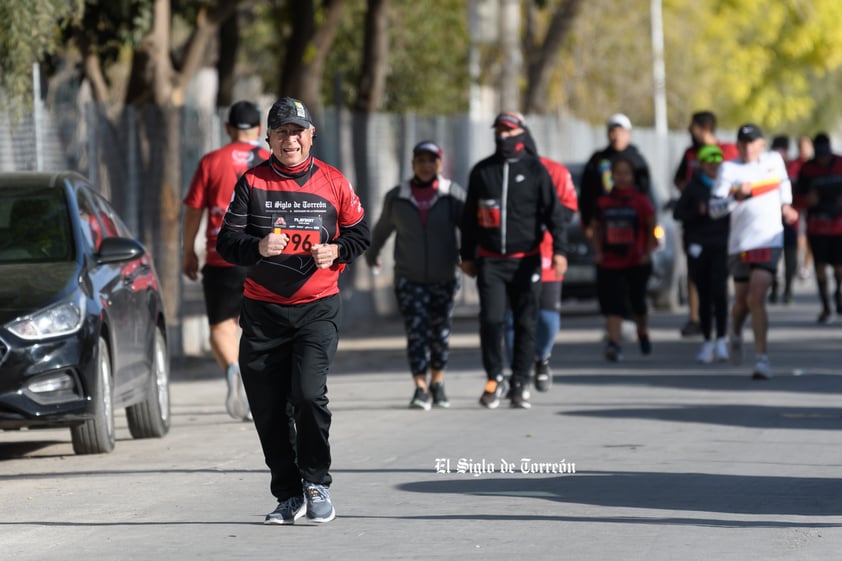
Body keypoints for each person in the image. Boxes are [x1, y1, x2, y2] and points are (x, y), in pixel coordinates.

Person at [216, 97, 370, 525]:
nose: (291, 140)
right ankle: (288, 495)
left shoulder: (334, 182)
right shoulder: (252, 183)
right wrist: (258, 246)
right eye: (281, 132)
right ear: (268, 138)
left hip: (316, 309)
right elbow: (226, 243)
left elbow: (361, 232)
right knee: (267, 408)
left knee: (306, 395)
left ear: (311, 136)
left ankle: (317, 484)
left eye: (297, 131)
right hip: (263, 313)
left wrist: (337, 250)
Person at [460, 111, 568, 410]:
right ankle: (495, 378)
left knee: (525, 322)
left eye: (509, 132)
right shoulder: (482, 171)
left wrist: (560, 251)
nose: (503, 137)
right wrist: (466, 255)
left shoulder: (536, 171)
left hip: (527, 260)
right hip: (490, 262)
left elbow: (554, 215)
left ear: (521, 134)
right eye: (499, 132)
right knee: (491, 321)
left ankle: (520, 381)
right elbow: (469, 219)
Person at [182, 100, 270, 421]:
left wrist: (188, 249)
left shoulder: (210, 162)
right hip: (265, 255)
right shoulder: (269, 161)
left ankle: (234, 370)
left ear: (228, 128)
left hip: (222, 257)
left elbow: (194, 209)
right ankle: (260, 385)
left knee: (222, 327)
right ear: (260, 130)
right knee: (262, 326)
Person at [365, 140, 465, 410]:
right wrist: (372, 254)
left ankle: (438, 382)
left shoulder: (452, 194)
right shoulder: (398, 196)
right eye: (420, 160)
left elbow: (469, 228)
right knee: (417, 333)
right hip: (409, 278)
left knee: (440, 334)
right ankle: (420, 387)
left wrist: (468, 258)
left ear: (440, 165)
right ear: (412, 164)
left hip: (444, 276)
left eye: (431, 160)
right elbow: (382, 229)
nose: (425, 165)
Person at [709, 123, 798, 380]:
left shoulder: (773, 161)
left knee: (756, 296)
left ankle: (762, 359)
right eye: (743, 143)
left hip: (768, 239)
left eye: (752, 142)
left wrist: (786, 207)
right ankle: (735, 331)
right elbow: (714, 209)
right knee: (741, 302)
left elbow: (784, 186)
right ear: (737, 146)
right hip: (740, 243)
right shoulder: (729, 169)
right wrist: (737, 195)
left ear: (762, 144)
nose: (748, 148)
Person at [503, 128, 578, 393]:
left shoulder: (554, 171)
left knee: (546, 319)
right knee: (513, 318)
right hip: (511, 257)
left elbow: (568, 207)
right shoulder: (500, 171)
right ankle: (516, 373)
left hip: (546, 255)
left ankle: (542, 357)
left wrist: (549, 229)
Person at [672, 111, 739, 337]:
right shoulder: (690, 154)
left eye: (693, 127)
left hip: (721, 225)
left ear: (704, 128)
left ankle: (721, 316)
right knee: (695, 274)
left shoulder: (728, 151)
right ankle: (696, 317)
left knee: (720, 275)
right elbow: (679, 180)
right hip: (695, 228)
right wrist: (693, 197)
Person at [592, 155, 657, 362]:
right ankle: (614, 343)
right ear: (612, 176)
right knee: (613, 304)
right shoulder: (604, 202)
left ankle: (642, 331)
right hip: (610, 261)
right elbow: (596, 229)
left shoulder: (641, 201)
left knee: (637, 302)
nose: (622, 177)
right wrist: (598, 252)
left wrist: (647, 252)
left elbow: (651, 227)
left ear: (632, 176)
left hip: (636, 261)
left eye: (626, 173)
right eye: (618, 173)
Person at [672, 145, 730, 363]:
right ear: (702, 165)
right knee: (703, 294)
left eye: (718, 162)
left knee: (720, 292)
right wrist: (697, 211)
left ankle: (722, 339)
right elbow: (679, 213)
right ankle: (707, 340)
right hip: (698, 247)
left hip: (721, 245)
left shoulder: (727, 186)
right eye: (709, 162)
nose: (714, 166)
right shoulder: (693, 187)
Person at [794, 133, 842, 323]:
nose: (824, 159)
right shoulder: (807, 169)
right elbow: (796, 197)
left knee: (839, 269)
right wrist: (807, 200)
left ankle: (838, 294)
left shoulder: (840, 164)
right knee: (820, 268)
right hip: (817, 226)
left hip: (839, 227)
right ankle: (825, 307)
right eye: (820, 155)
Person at [579, 113, 651, 235]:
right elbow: (587, 192)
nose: (617, 136)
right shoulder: (598, 159)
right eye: (613, 131)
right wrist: (587, 222)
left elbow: (645, 193)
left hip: (631, 225)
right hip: (603, 224)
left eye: (621, 132)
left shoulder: (637, 161)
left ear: (629, 134)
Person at [768, 135, 798, 305]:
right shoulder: (767, 168)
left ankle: (788, 289)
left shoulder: (794, 168)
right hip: (771, 222)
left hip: (791, 222)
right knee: (773, 257)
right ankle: (774, 287)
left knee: (790, 257)